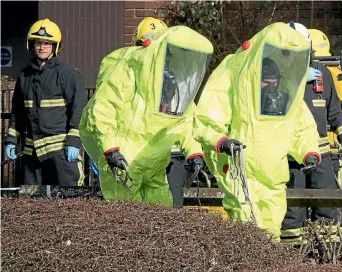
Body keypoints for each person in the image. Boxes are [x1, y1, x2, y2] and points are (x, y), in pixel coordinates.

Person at [193, 22, 321, 240]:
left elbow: (301, 125)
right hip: (241, 168)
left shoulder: (285, 97)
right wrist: (221, 141)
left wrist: (309, 151)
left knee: (271, 225)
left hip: (273, 173)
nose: (270, 87)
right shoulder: (235, 74)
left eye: (274, 81)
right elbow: (209, 116)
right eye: (266, 82)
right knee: (245, 224)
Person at [79, 22, 213, 207]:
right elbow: (103, 111)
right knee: (127, 219)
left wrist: (195, 152)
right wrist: (111, 149)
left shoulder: (171, 85)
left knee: (162, 219)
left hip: (156, 162)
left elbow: (186, 121)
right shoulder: (125, 72)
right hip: (126, 160)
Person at [280, 23, 342, 245]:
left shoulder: (323, 75)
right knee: (293, 210)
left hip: (322, 154)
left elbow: (334, 112)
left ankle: (326, 254)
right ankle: (292, 256)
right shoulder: (277, 77)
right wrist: (298, 80)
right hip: (292, 156)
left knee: (327, 206)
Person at [3, 18, 87, 186]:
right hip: (32, 154)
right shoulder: (24, 76)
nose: (42, 47)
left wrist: (73, 142)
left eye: (47, 43)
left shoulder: (68, 74)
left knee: (69, 203)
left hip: (61, 153)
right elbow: (18, 113)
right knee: (31, 205)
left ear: (55, 47)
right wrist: (11, 140)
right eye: (38, 43)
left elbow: (79, 111)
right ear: (31, 45)